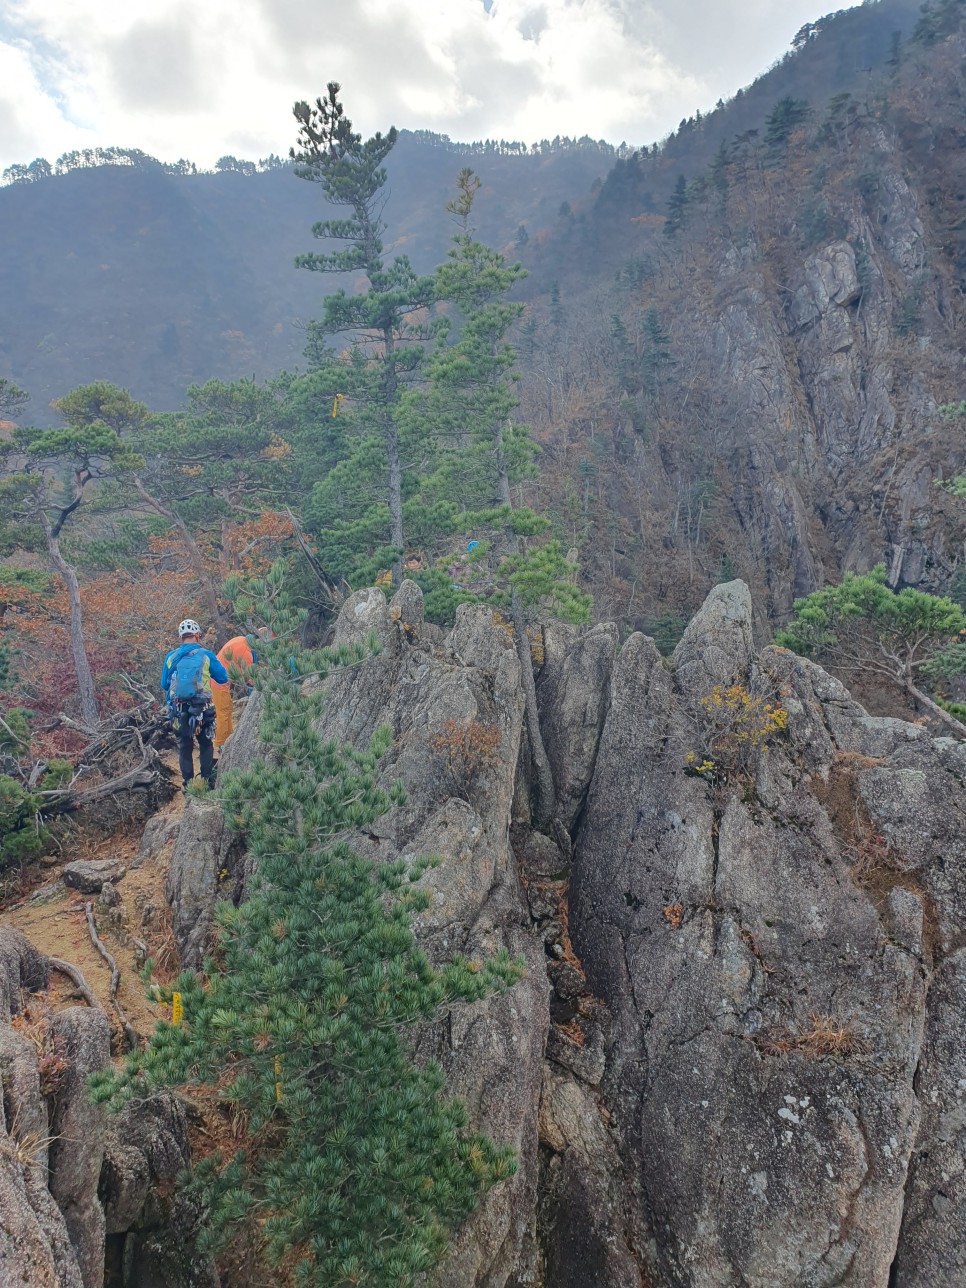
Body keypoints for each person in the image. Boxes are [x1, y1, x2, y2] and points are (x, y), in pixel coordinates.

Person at [160, 619, 228, 787]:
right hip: (203, 708)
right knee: (205, 744)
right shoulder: (206, 655)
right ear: (197, 636)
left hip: (179, 709)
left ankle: (188, 785)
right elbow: (222, 677)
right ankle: (207, 781)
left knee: (185, 747)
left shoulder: (171, 657)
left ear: (180, 638)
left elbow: (164, 684)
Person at [210, 630, 263, 750]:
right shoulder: (246, 653)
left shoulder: (240, 639)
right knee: (223, 711)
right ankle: (221, 744)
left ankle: (227, 738)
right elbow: (252, 679)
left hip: (216, 677)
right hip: (217, 681)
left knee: (227, 708)